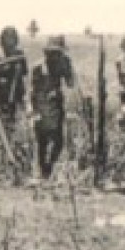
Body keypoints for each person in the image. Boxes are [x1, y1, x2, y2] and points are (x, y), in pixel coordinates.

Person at [30, 35, 76, 180]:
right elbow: (32, 91)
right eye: (52, 53)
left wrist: (67, 67)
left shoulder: (62, 64)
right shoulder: (38, 68)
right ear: (46, 53)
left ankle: (49, 168)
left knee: (58, 141)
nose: (55, 56)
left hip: (56, 105)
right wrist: (34, 110)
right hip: (41, 105)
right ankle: (43, 172)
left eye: (58, 53)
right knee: (41, 141)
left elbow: (71, 83)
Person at [0, 26, 29, 126]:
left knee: (17, 116)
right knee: (4, 115)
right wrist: (7, 64)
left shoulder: (19, 52)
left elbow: (25, 71)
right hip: (3, 90)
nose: (9, 41)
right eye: (7, 38)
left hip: (17, 89)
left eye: (12, 38)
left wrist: (18, 68)